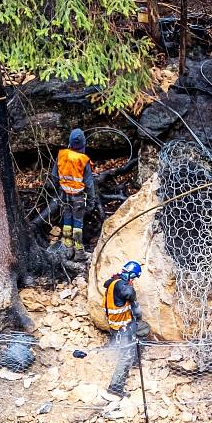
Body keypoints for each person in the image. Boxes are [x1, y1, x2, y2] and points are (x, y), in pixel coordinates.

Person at [52, 128, 98, 260]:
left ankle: (67, 249)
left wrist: (59, 189)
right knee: (78, 224)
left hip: (64, 196)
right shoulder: (83, 160)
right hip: (78, 197)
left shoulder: (61, 155)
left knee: (67, 221)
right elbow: (89, 184)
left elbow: (54, 176)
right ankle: (79, 251)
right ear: (83, 144)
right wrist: (91, 202)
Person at [102, 261, 144, 399]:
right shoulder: (124, 287)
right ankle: (115, 387)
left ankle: (135, 360)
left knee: (143, 329)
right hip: (122, 327)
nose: (134, 280)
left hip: (115, 325)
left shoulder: (113, 282)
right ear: (131, 274)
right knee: (125, 357)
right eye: (134, 277)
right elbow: (130, 296)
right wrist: (136, 311)